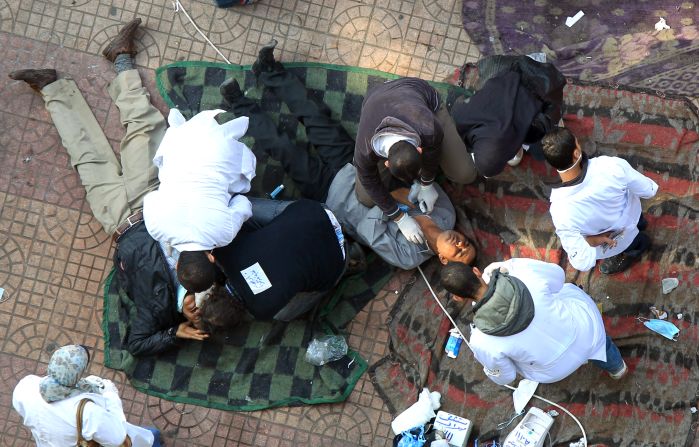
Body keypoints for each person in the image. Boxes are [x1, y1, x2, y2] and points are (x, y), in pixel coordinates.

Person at [9, 18, 208, 356]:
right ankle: (121, 59)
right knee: (143, 127)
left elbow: (136, 344)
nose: (199, 307)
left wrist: (176, 333)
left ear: (192, 321)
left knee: (85, 154)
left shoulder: (158, 310)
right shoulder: (208, 270)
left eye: (199, 316)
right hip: (152, 199)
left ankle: (52, 89)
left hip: (116, 219)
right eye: (205, 305)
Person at [219, 42, 477, 270]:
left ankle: (239, 104)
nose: (460, 244)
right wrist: (417, 191)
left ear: (444, 260)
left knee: (282, 147)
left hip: (331, 193)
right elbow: (413, 180)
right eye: (466, 244)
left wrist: (402, 215)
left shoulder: (407, 257)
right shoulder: (446, 214)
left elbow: (368, 224)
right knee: (314, 114)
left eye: (459, 254)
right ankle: (269, 71)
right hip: (353, 165)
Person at [440, 258, 627, 385]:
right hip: (587, 333)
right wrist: (510, 265)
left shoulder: (481, 341)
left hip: (555, 370)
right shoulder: (522, 274)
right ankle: (618, 368)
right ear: (476, 271)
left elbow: (506, 377)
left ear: (458, 297)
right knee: (566, 295)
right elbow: (558, 277)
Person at [353, 73, 478, 245]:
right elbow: (368, 180)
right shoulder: (365, 148)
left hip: (415, 95)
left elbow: (432, 153)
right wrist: (399, 218)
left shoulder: (429, 128)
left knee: (465, 173)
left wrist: (426, 183)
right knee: (365, 197)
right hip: (376, 99)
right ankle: (388, 85)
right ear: (386, 162)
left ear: (420, 149)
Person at [142, 106, 257, 280]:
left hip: (219, 151)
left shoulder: (224, 235)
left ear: (211, 258)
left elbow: (243, 203)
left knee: (241, 186)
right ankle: (184, 129)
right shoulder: (156, 229)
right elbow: (151, 198)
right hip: (177, 149)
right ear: (178, 263)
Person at [542, 127, 658, 274]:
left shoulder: (560, 212)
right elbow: (649, 191)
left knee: (630, 243)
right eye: (578, 142)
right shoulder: (611, 166)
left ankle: (634, 249)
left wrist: (589, 241)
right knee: (638, 227)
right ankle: (639, 239)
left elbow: (581, 262)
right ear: (576, 153)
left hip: (613, 240)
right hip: (633, 213)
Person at [12, 344, 161, 446]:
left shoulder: (26, 386)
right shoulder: (87, 412)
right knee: (146, 438)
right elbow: (117, 438)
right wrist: (110, 394)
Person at [452, 55, 566, 177]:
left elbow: (547, 119)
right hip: (498, 74)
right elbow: (458, 99)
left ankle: (533, 59)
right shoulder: (462, 115)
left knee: (542, 150)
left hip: (533, 79)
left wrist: (548, 122)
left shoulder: (535, 126)